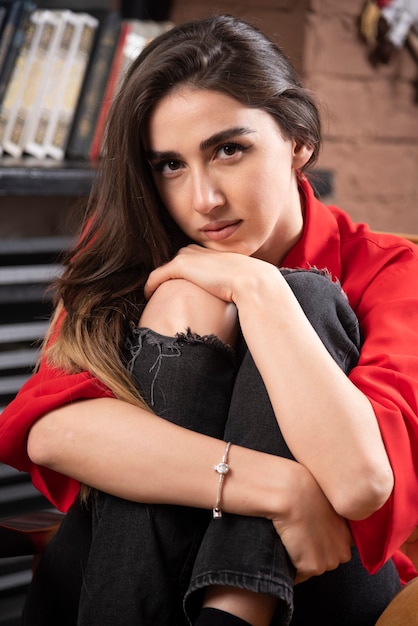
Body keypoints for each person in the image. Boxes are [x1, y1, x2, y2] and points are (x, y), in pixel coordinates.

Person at [0, 14, 417, 626]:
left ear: (298, 140)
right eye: (170, 165)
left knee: (308, 299)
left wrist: (258, 289)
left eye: (229, 150)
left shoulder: (391, 270)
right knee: (186, 300)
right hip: (123, 577)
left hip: (315, 586)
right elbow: (52, 430)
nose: (203, 201)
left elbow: (359, 484)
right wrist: (277, 488)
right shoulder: (134, 244)